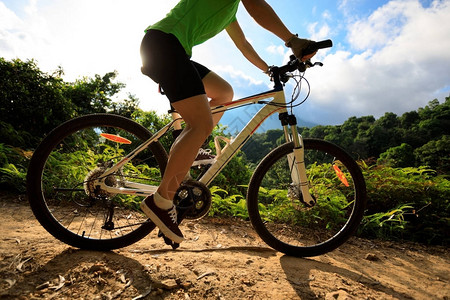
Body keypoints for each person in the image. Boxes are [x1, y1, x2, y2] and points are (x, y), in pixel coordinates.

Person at [140, 0, 316, 244]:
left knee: (224, 93)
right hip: (165, 46)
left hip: (169, 48)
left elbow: (243, 44)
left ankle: (193, 147)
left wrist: (269, 70)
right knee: (200, 125)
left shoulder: (229, 11)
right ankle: (161, 201)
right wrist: (291, 40)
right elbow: (256, 6)